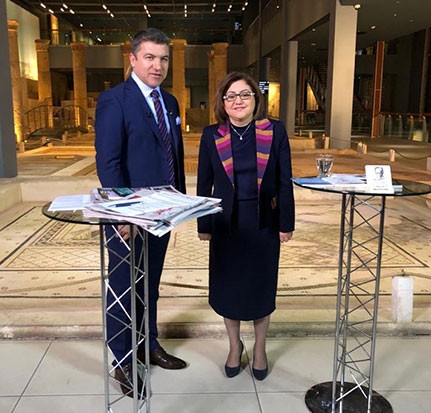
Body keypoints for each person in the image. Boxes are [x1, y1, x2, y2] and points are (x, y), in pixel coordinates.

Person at [95, 28, 187, 398]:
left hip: (162, 212)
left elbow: (174, 156)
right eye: (149, 57)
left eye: (163, 58)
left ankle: (149, 344)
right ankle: (122, 359)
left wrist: (179, 203)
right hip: (127, 218)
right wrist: (123, 215)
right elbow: (109, 162)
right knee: (123, 287)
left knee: (150, 284)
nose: (157, 65)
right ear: (133, 59)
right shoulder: (114, 100)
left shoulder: (171, 102)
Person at [196, 72, 294, 380]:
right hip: (225, 225)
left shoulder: (274, 131)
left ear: (255, 99)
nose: (237, 100)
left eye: (244, 94)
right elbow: (204, 183)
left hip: (264, 225)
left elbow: (284, 182)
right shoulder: (211, 135)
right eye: (231, 96)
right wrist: (203, 223)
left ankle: (260, 348)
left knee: (260, 288)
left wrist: (286, 223)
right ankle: (234, 346)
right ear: (222, 102)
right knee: (229, 289)